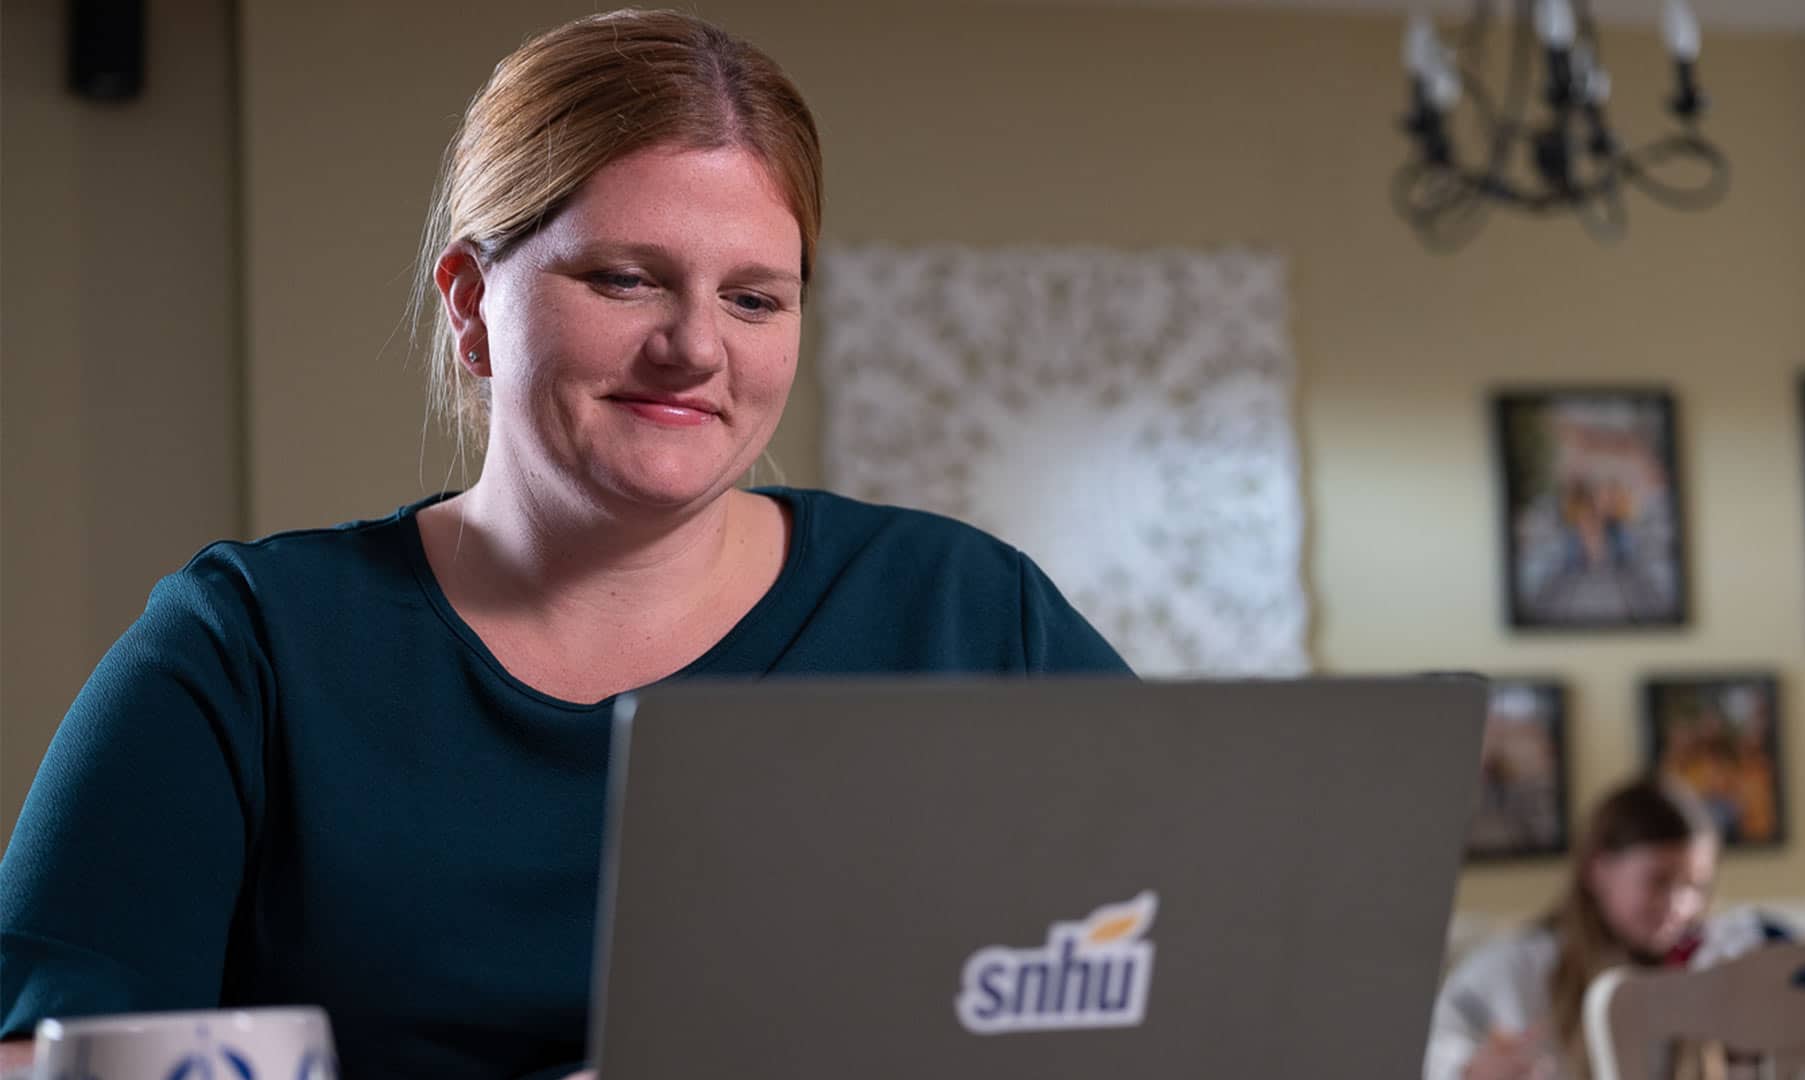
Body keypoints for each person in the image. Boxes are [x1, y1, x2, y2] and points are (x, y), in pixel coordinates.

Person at [0, 9, 1129, 1077]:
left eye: (753, 298)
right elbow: (35, 1053)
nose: (694, 346)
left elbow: (1199, 982)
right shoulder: (248, 649)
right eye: (625, 278)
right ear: (469, 301)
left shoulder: (973, 618)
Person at [1425, 778, 1791, 1080]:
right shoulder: (1512, 969)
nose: (1682, 907)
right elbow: (1429, 1053)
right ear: (1597, 870)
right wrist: (1469, 1071)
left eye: (1697, 886)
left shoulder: (1715, 965)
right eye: (1658, 882)